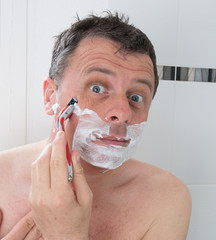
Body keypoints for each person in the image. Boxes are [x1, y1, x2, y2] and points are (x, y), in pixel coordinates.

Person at [0, 12, 192, 239]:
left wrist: (68, 235)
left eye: (137, 97)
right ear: (51, 96)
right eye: (97, 88)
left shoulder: (166, 197)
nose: (123, 113)